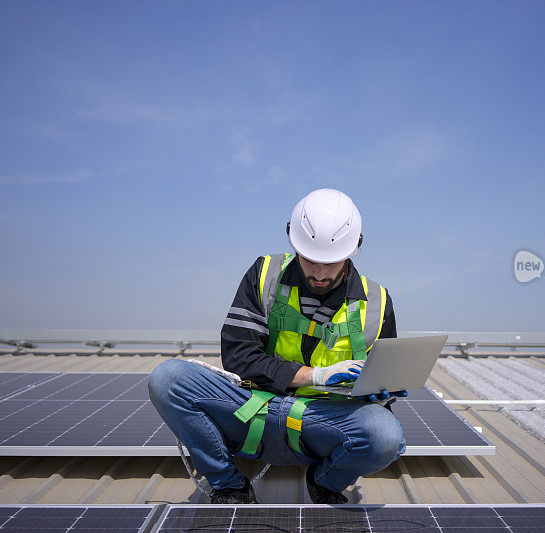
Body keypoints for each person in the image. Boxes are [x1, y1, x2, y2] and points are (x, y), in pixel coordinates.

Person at [148, 188, 406, 504]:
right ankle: (229, 486)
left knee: (386, 436)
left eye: (332, 262)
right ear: (292, 240)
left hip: (322, 423)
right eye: (311, 260)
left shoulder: (378, 302)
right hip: (255, 410)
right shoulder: (265, 274)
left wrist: (380, 393)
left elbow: (381, 382)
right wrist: (316, 375)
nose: (321, 273)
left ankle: (324, 482)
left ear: (354, 249)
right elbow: (239, 356)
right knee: (167, 379)